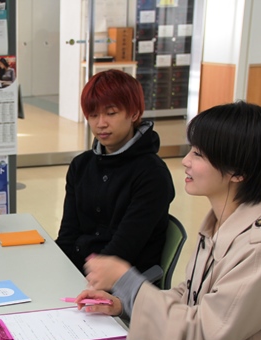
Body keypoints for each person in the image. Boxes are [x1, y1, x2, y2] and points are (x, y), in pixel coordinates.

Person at [78, 101, 261, 340]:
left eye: (199, 154)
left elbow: (203, 335)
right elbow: (189, 296)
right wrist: (124, 304)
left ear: (238, 172)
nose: (186, 161)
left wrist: (128, 281)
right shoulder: (220, 225)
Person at [55, 69, 174, 277]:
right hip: (79, 276)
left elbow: (123, 250)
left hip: (124, 285)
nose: (101, 123)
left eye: (111, 113)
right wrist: (59, 272)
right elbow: (67, 235)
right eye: (93, 115)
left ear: (134, 114)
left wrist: (81, 281)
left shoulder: (152, 174)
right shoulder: (81, 165)